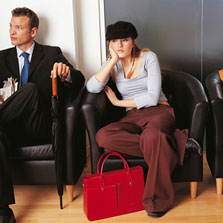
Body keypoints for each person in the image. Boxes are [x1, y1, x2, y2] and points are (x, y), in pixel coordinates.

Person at [86, 21, 188, 218]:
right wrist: (111, 61)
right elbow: (92, 87)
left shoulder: (149, 57)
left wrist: (117, 103)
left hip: (159, 111)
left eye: (124, 40)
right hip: (133, 117)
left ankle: (156, 201)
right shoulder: (113, 65)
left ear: (133, 41)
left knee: (152, 137)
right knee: (103, 136)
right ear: (110, 45)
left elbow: (152, 97)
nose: (120, 45)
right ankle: (167, 146)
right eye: (114, 41)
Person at [0, 7, 85, 223]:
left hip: (38, 125)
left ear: (33, 31)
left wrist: (65, 74)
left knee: (29, 89)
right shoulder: (1, 58)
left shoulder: (51, 53)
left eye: (19, 27)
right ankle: (4, 212)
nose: (12, 31)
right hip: (7, 128)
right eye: (11, 26)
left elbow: (80, 80)